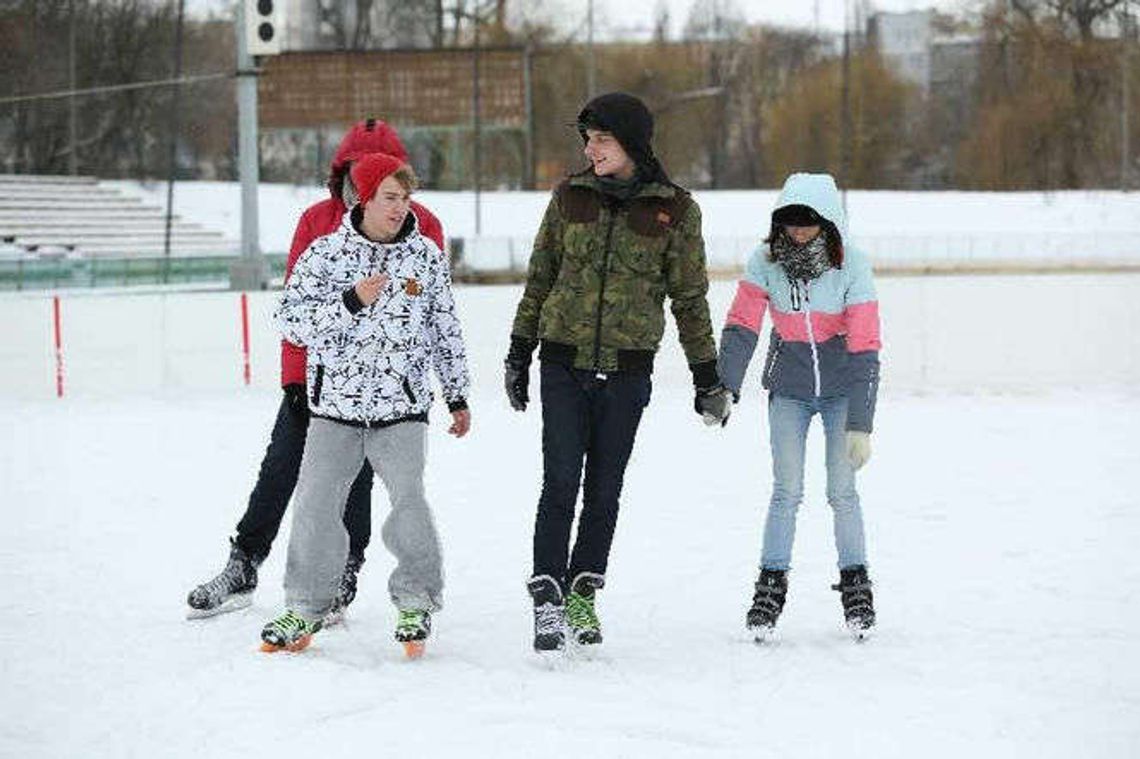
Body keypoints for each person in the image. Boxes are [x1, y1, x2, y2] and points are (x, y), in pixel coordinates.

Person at [185, 119, 444, 623]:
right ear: (343, 173)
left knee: (359, 483)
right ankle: (244, 563)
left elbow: (433, 315)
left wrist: (429, 388)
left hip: (386, 391)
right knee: (281, 469)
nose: (363, 184)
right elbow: (295, 308)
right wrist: (295, 378)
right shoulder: (317, 221)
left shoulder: (421, 224)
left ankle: (343, 572)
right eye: (353, 172)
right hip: (316, 382)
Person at [505, 92, 732, 653]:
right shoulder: (569, 197)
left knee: (604, 489)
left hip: (628, 374)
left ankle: (584, 590)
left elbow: (690, 298)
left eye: (601, 138)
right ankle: (549, 597)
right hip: (563, 362)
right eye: (587, 138)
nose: (590, 148)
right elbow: (540, 278)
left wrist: (707, 376)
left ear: (631, 141)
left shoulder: (675, 209)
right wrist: (519, 351)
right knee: (559, 483)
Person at [261, 153, 470, 657]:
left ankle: (416, 600)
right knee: (315, 507)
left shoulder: (424, 258)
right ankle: (305, 606)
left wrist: (457, 393)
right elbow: (290, 324)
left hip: (401, 407)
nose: (400, 208)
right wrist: (349, 302)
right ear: (363, 198)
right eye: (390, 198)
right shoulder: (325, 255)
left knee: (409, 502)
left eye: (406, 198)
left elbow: (445, 331)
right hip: (334, 408)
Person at [716, 172, 881, 641]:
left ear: (828, 222)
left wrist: (860, 424)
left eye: (809, 222)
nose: (800, 231)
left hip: (840, 392)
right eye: (791, 221)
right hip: (787, 391)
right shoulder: (765, 261)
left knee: (842, 492)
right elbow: (742, 324)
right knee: (786, 490)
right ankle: (770, 587)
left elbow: (866, 345)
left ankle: (856, 585)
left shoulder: (853, 266)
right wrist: (726, 386)